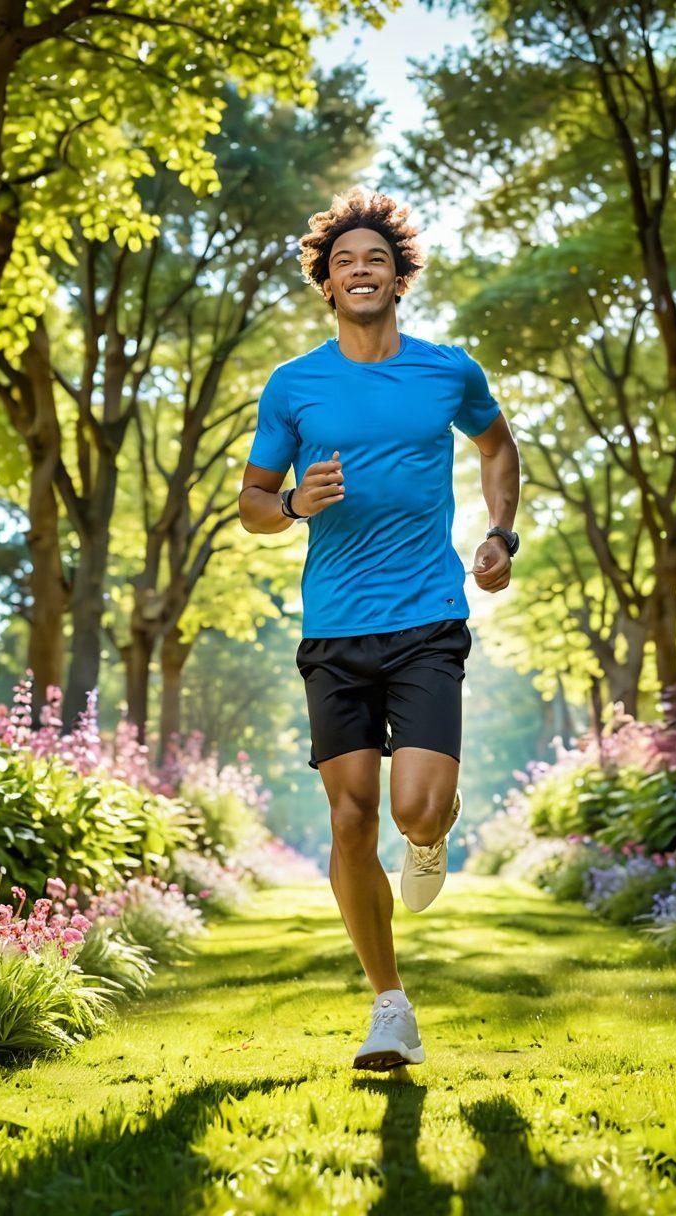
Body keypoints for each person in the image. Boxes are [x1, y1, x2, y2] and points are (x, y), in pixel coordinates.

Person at [238, 187, 521, 1070]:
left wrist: (500, 533)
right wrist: (291, 502)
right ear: (325, 285)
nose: (360, 271)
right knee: (353, 819)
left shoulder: (448, 370)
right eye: (344, 262)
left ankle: (431, 835)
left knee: (415, 808)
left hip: (429, 616)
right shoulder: (294, 386)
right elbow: (252, 505)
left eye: (376, 260)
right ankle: (389, 1005)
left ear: (401, 277)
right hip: (334, 630)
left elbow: (498, 448)